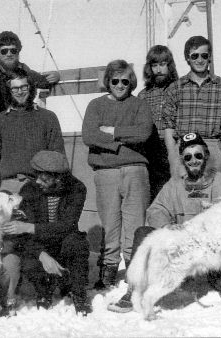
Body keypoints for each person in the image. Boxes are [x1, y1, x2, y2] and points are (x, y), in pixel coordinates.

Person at [108, 132, 221, 313]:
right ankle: (134, 290)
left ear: (206, 156)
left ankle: (209, 279)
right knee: (143, 233)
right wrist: (166, 225)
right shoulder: (175, 185)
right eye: (188, 157)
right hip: (181, 253)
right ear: (183, 160)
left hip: (210, 254)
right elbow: (156, 209)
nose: (193, 160)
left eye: (198, 155)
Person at [82, 60, 152, 289]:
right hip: (106, 173)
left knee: (134, 223)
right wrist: (123, 141)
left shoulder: (139, 104)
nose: (120, 85)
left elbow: (143, 133)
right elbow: (89, 136)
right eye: (115, 81)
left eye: (125, 81)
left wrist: (112, 132)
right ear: (108, 82)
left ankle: (134, 270)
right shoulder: (95, 105)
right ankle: (109, 269)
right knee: (110, 224)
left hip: (135, 171)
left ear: (131, 82)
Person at [1, 151, 92, 315]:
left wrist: (30, 227)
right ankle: (44, 290)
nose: (38, 181)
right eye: (37, 176)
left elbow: (66, 226)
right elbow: (23, 234)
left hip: (65, 238)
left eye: (44, 178)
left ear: (58, 178)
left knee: (77, 243)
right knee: (29, 259)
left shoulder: (76, 189)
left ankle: (78, 293)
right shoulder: (29, 190)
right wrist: (42, 255)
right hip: (40, 242)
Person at [162, 35, 221, 176]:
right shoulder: (175, 88)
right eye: (194, 56)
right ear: (187, 58)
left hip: (212, 148)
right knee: (182, 194)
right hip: (183, 148)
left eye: (204, 56)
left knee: (213, 196)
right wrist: (172, 155)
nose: (199, 60)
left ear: (209, 57)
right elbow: (168, 126)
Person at [0, 68, 65, 194]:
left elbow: (57, 153)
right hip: (7, 186)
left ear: (31, 88)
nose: (20, 92)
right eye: (15, 88)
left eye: (24, 87)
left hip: (39, 186)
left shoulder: (48, 117)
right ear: (8, 91)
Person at [0, 31, 60, 137]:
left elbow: (41, 81)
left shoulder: (23, 69)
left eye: (13, 50)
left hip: (14, 115)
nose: (9, 54)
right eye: (4, 51)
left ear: (18, 52)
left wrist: (57, 75)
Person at [138, 45, 178, 201]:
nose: (159, 70)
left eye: (163, 64)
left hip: (175, 148)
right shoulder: (143, 96)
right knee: (156, 195)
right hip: (152, 151)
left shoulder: (179, 89)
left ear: (169, 65)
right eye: (154, 65)